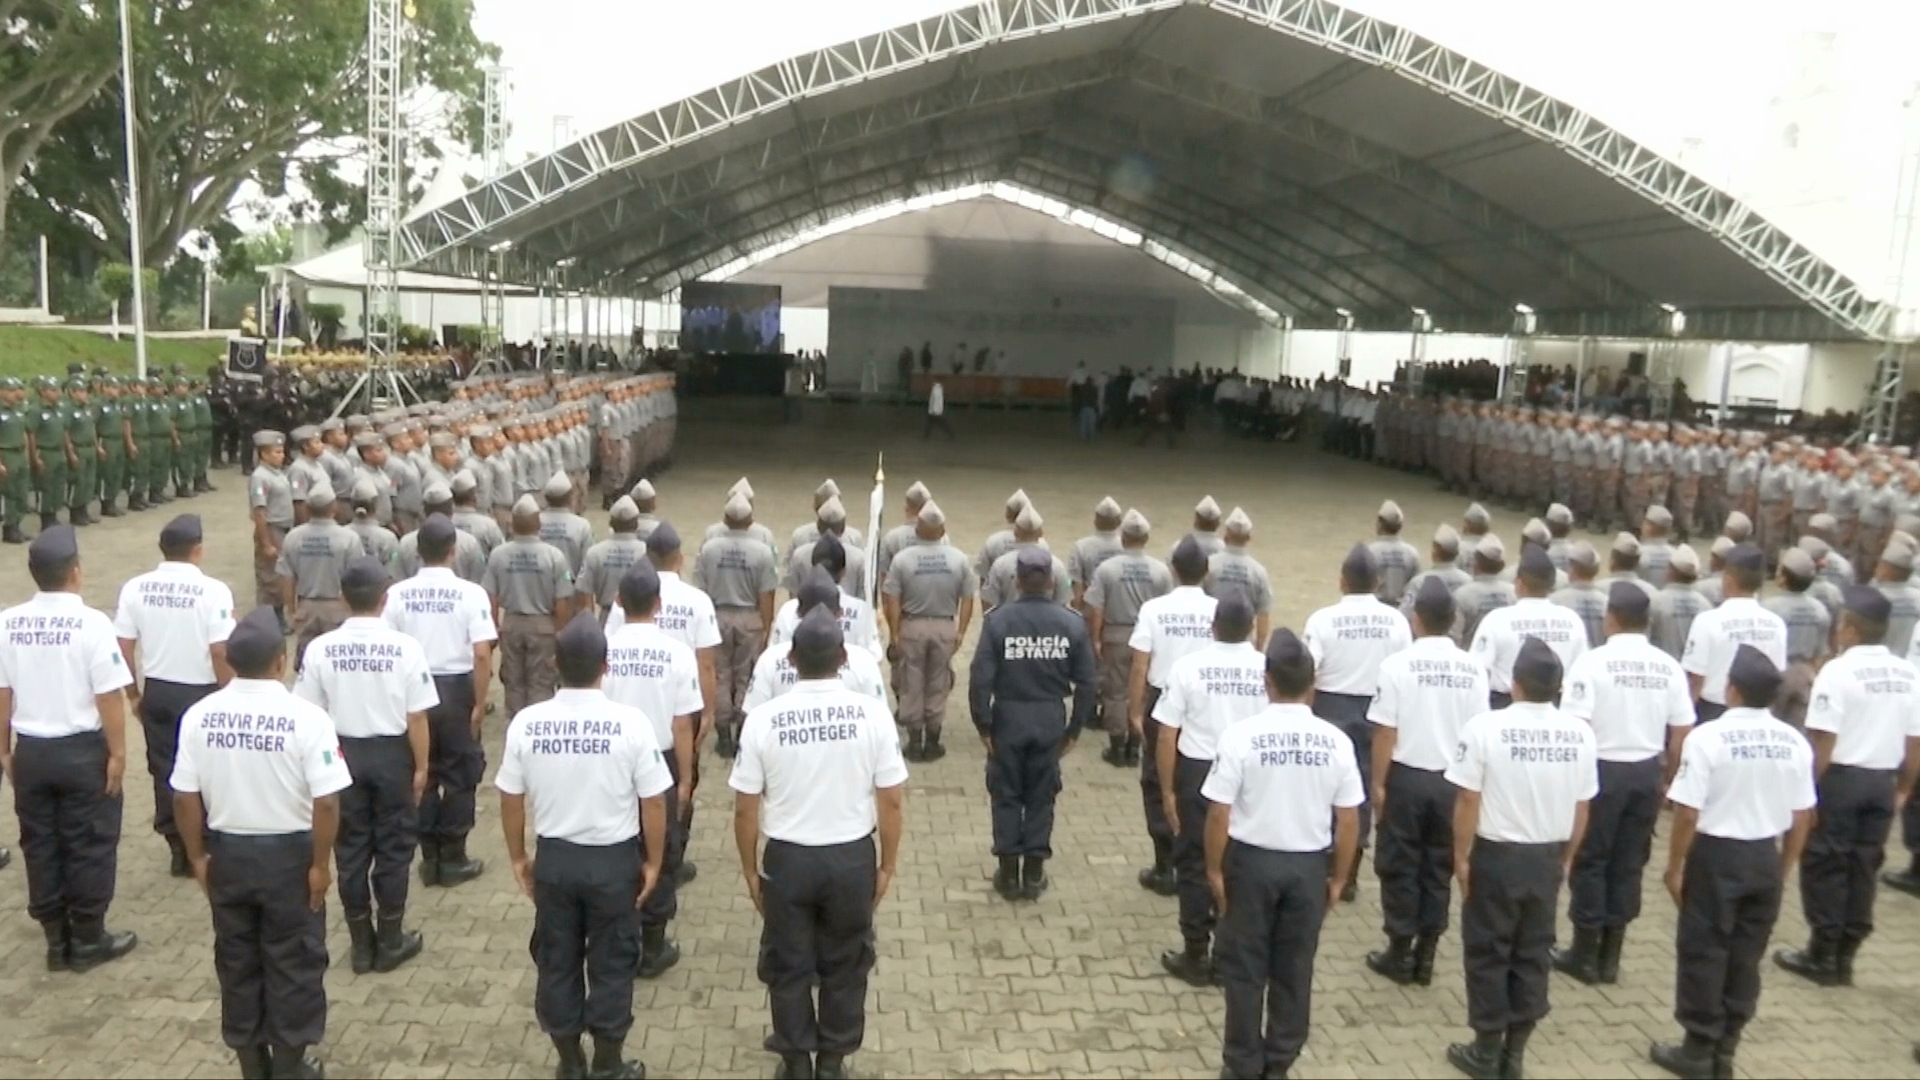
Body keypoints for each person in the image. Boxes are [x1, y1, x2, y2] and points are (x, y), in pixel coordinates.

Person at [171, 607, 351, 1080]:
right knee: (294, 962)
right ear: (282, 660)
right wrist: (320, 864)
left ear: (229, 660)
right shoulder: (307, 719)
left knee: (237, 961)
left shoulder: (199, 716)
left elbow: (184, 796)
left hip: (228, 853)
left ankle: (254, 1066)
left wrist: (197, 857)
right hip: (288, 858)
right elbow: (327, 803)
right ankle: (290, 1065)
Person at [730, 607, 908, 1080]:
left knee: (787, 962)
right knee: (846, 961)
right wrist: (887, 865)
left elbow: (746, 808)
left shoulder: (764, 720)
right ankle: (833, 1061)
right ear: (844, 656)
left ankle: (795, 1061)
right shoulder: (872, 715)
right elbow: (890, 803)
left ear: (790, 658)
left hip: (787, 860)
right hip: (850, 857)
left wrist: (750, 869)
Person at [496, 613, 672, 1080]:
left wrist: (517, 856)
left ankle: (569, 1061)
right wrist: (654, 861)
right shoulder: (631, 724)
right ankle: (609, 1064)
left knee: (558, 958)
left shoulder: (527, 724)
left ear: (555, 663)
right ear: (605, 665)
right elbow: (654, 802)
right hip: (613, 861)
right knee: (613, 961)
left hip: (555, 860)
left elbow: (510, 797)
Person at [1647, 645, 1815, 1080]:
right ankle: (1726, 1048)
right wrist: (1784, 869)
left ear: (1733, 689)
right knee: (1746, 954)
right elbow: (1802, 817)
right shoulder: (1794, 741)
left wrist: (1674, 866)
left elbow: (1687, 811)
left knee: (1705, 950)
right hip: (1765, 856)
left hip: (1718, 856)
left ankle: (1697, 1049)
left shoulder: (1708, 737)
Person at [1203, 628, 1363, 1080]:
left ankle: (1241, 1063)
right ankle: (1280, 1060)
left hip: (1251, 863)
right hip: (1308, 865)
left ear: (1266, 681)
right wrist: (1339, 877)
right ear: (1312, 686)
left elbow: (1219, 812)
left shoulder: (1241, 736)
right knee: (1294, 968)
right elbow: (1349, 818)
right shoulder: (1336, 741)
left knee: (1245, 967)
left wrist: (1214, 869)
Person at [1443, 638, 1598, 1080]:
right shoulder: (1580, 734)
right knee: (1533, 952)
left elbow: (1468, 800)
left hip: (1497, 854)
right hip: (1547, 855)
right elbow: (1583, 805)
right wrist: (1567, 857)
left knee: (1489, 949)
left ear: (1514, 683)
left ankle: (1486, 1048)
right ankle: (1515, 1052)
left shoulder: (1485, 728)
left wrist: (1461, 856)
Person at [0, 525, 137, 972]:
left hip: (32, 751)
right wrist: (117, 753)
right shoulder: (93, 623)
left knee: (40, 842)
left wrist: (4, 749)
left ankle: (55, 940)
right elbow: (108, 697)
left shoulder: (8, 621)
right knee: (90, 842)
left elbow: (2, 693)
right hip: (81, 751)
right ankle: (88, 938)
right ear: (76, 572)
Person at [292, 556, 433, 974]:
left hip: (342, 755)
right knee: (394, 846)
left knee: (350, 849)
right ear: (385, 598)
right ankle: (390, 937)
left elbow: (308, 713)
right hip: (392, 755)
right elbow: (417, 717)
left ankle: (359, 944)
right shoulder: (406, 648)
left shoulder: (320, 648)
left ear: (342, 598)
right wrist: (422, 766)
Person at [1774, 585, 1920, 987]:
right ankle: (1846, 954)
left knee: (1826, 863)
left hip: (1841, 779)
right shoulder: (1908, 673)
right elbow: (1915, 740)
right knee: (1864, 866)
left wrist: (1808, 791)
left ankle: (1822, 954)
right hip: (1882, 781)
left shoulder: (1837, 672)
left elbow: (1823, 740)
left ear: (1851, 629)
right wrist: (1904, 788)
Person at [1553, 583, 1694, 986]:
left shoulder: (1591, 664)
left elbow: (1576, 727)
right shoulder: (1667, 666)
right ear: (1646, 622)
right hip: (1645, 771)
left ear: (1610, 617)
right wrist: (1669, 776)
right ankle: (1611, 954)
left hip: (1602, 771)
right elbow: (1682, 728)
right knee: (1629, 860)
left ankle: (1584, 951)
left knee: (1591, 859)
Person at [1363, 576, 1488, 987]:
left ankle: (1400, 948)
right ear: (1453, 621)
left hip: (1408, 778)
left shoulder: (1397, 665)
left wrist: (1378, 784)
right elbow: (1478, 728)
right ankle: (1427, 953)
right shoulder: (1474, 667)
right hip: (1453, 779)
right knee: (1439, 864)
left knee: (1400, 863)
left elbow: (1385, 731)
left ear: (1416, 620)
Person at [1149, 592, 1266, 984]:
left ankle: (1196, 951)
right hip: (1251, 772)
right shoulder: (1267, 669)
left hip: (1199, 772)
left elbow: (1167, 736)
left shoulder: (1188, 668)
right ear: (1251, 628)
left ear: (1212, 627)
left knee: (1196, 863)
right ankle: (1231, 951)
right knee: (1240, 863)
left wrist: (1167, 791)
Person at [970, 547, 1097, 902]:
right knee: (1042, 794)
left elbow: (980, 678)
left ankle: (1008, 873)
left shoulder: (997, 621)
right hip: (1049, 717)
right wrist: (1074, 729)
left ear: (1017, 581)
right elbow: (1087, 681)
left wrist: (984, 725)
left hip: (1008, 716)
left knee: (1006, 792)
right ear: (1053, 582)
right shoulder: (1072, 623)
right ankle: (1035, 871)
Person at [113, 513, 235, 877]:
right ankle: (208, 841)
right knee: (209, 769)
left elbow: (122, 645)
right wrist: (230, 692)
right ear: (197, 550)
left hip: (160, 690)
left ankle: (178, 848)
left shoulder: (135, 588)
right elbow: (219, 651)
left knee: (165, 770)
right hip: (202, 690)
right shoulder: (214, 591)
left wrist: (133, 693)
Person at [603, 562, 708, 977]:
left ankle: (617, 933)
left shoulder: (602, 648)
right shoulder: (678, 654)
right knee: (659, 850)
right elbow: (683, 723)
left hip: (611, 759)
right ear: (659, 605)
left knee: (617, 845)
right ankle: (652, 943)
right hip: (659, 760)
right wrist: (685, 777)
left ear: (618, 602)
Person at [1303, 545, 1412, 898]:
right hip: (1377, 711)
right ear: (1378, 582)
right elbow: (1404, 673)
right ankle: (1349, 872)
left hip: (1331, 708)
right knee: (1361, 791)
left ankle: (1323, 862)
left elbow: (1309, 671)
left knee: (1323, 787)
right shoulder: (1396, 621)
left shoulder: (1322, 619)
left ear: (1342, 581)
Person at [1128, 537, 1220, 896]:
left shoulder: (1154, 609)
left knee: (1157, 781)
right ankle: (1197, 861)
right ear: (1206, 572)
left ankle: (1165, 864)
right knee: (1201, 781)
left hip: (1162, 702)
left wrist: (1135, 709)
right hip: (1205, 704)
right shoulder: (1218, 610)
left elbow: (1140, 665)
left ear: (1172, 569)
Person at [882, 500, 977, 762]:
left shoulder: (902, 559)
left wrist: (894, 632)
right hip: (945, 625)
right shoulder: (959, 559)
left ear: (917, 529)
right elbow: (968, 598)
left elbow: (893, 599)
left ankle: (914, 742)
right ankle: (933, 740)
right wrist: (960, 632)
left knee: (911, 681)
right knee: (939, 680)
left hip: (912, 626)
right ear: (943, 529)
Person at [1085, 509, 1172, 766]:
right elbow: (1166, 607)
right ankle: (1136, 746)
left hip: (1116, 635)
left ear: (1123, 538)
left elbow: (1096, 607)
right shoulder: (1160, 571)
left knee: (1115, 692)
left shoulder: (1107, 569)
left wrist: (1096, 637)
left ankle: (1117, 744)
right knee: (1143, 691)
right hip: (1149, 637)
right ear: (1146, 538)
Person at [697, 491, 779, 756]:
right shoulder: (762, 551)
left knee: (720, 673)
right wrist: (766, 627)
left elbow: (701, 589)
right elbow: (766, 595)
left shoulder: (709, 549)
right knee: (747, 674)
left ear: (725, 518)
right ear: (750, 520)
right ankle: (743, 730)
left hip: (717, 616)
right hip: (749, 618)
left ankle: (722, 735)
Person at [485, 494, 576, 720]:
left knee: (513, 680)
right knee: (541, 682)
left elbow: (491, 597)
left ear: (512, 524)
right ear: (539, 523)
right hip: (543, 626)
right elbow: (561, 601)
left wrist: (493, 627)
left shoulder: (498, 555)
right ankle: (539, 725)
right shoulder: (554, 556)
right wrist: (561, 632)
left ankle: (516, 723)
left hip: (512, 624)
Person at [746, 571, 889, 709]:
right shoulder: (863, 661)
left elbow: (754, 715)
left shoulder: (770, 660)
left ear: (792, 657)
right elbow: (879, 716)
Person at [1469, 547, 1589, 710]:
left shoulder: (1497, 620)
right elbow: (1582, 672)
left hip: (1505, 706)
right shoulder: (1572, 620)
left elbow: (1476, 670)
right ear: (1552, 584)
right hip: (1558, 709)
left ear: (1519, 583)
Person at [1682, 544, 1787, 722]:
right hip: (1760, 715)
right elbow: (1777, 676)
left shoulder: (1707, 622)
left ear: (1728, 579)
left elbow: (1695, 679)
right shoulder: (1776, 625)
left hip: (1713, 712)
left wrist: (1687, 719)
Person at [276, 482, 358, 668]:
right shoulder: (349, 538)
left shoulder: (293, 537)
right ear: (334, 507)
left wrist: (292, 611)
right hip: (339, 608)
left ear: (307, 507)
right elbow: (354, 578)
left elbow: (286, 578)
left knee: (308, 666)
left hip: (306, 608)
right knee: (337, 665)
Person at [1205, 509, 1274, 647]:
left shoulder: (1209, 565)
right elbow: (1263, 615)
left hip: (1209, 640)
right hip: (1243, 643)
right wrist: (1259, 648)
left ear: (1225, 535)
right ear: (1249, 538)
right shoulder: (1258, 571)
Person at [248, 431, 296, 629]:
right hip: (272, 528)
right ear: (263, 455)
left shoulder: (277, 473)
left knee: (280, 575)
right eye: (276, 452)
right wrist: (266, 542)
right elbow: (260, 512)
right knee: (270, 576)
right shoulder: (260, 477)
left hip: (283, 528)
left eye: (282, 451)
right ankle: (271, 618)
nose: (281, 455)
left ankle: (278, 615)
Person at [578, 496, 651, 617]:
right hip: (639, 617)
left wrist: (590, 623)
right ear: (636, 524)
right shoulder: (647, 552)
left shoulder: (595, 552)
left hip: (606, 616)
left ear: (611, 523)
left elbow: (585, 593)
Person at [1367, 500, 1422, 606]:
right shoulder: (1411, 553)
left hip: (1376, 609)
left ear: (1379, 524)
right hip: (1402, 610)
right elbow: (1417, 588)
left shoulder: (1370, 552)